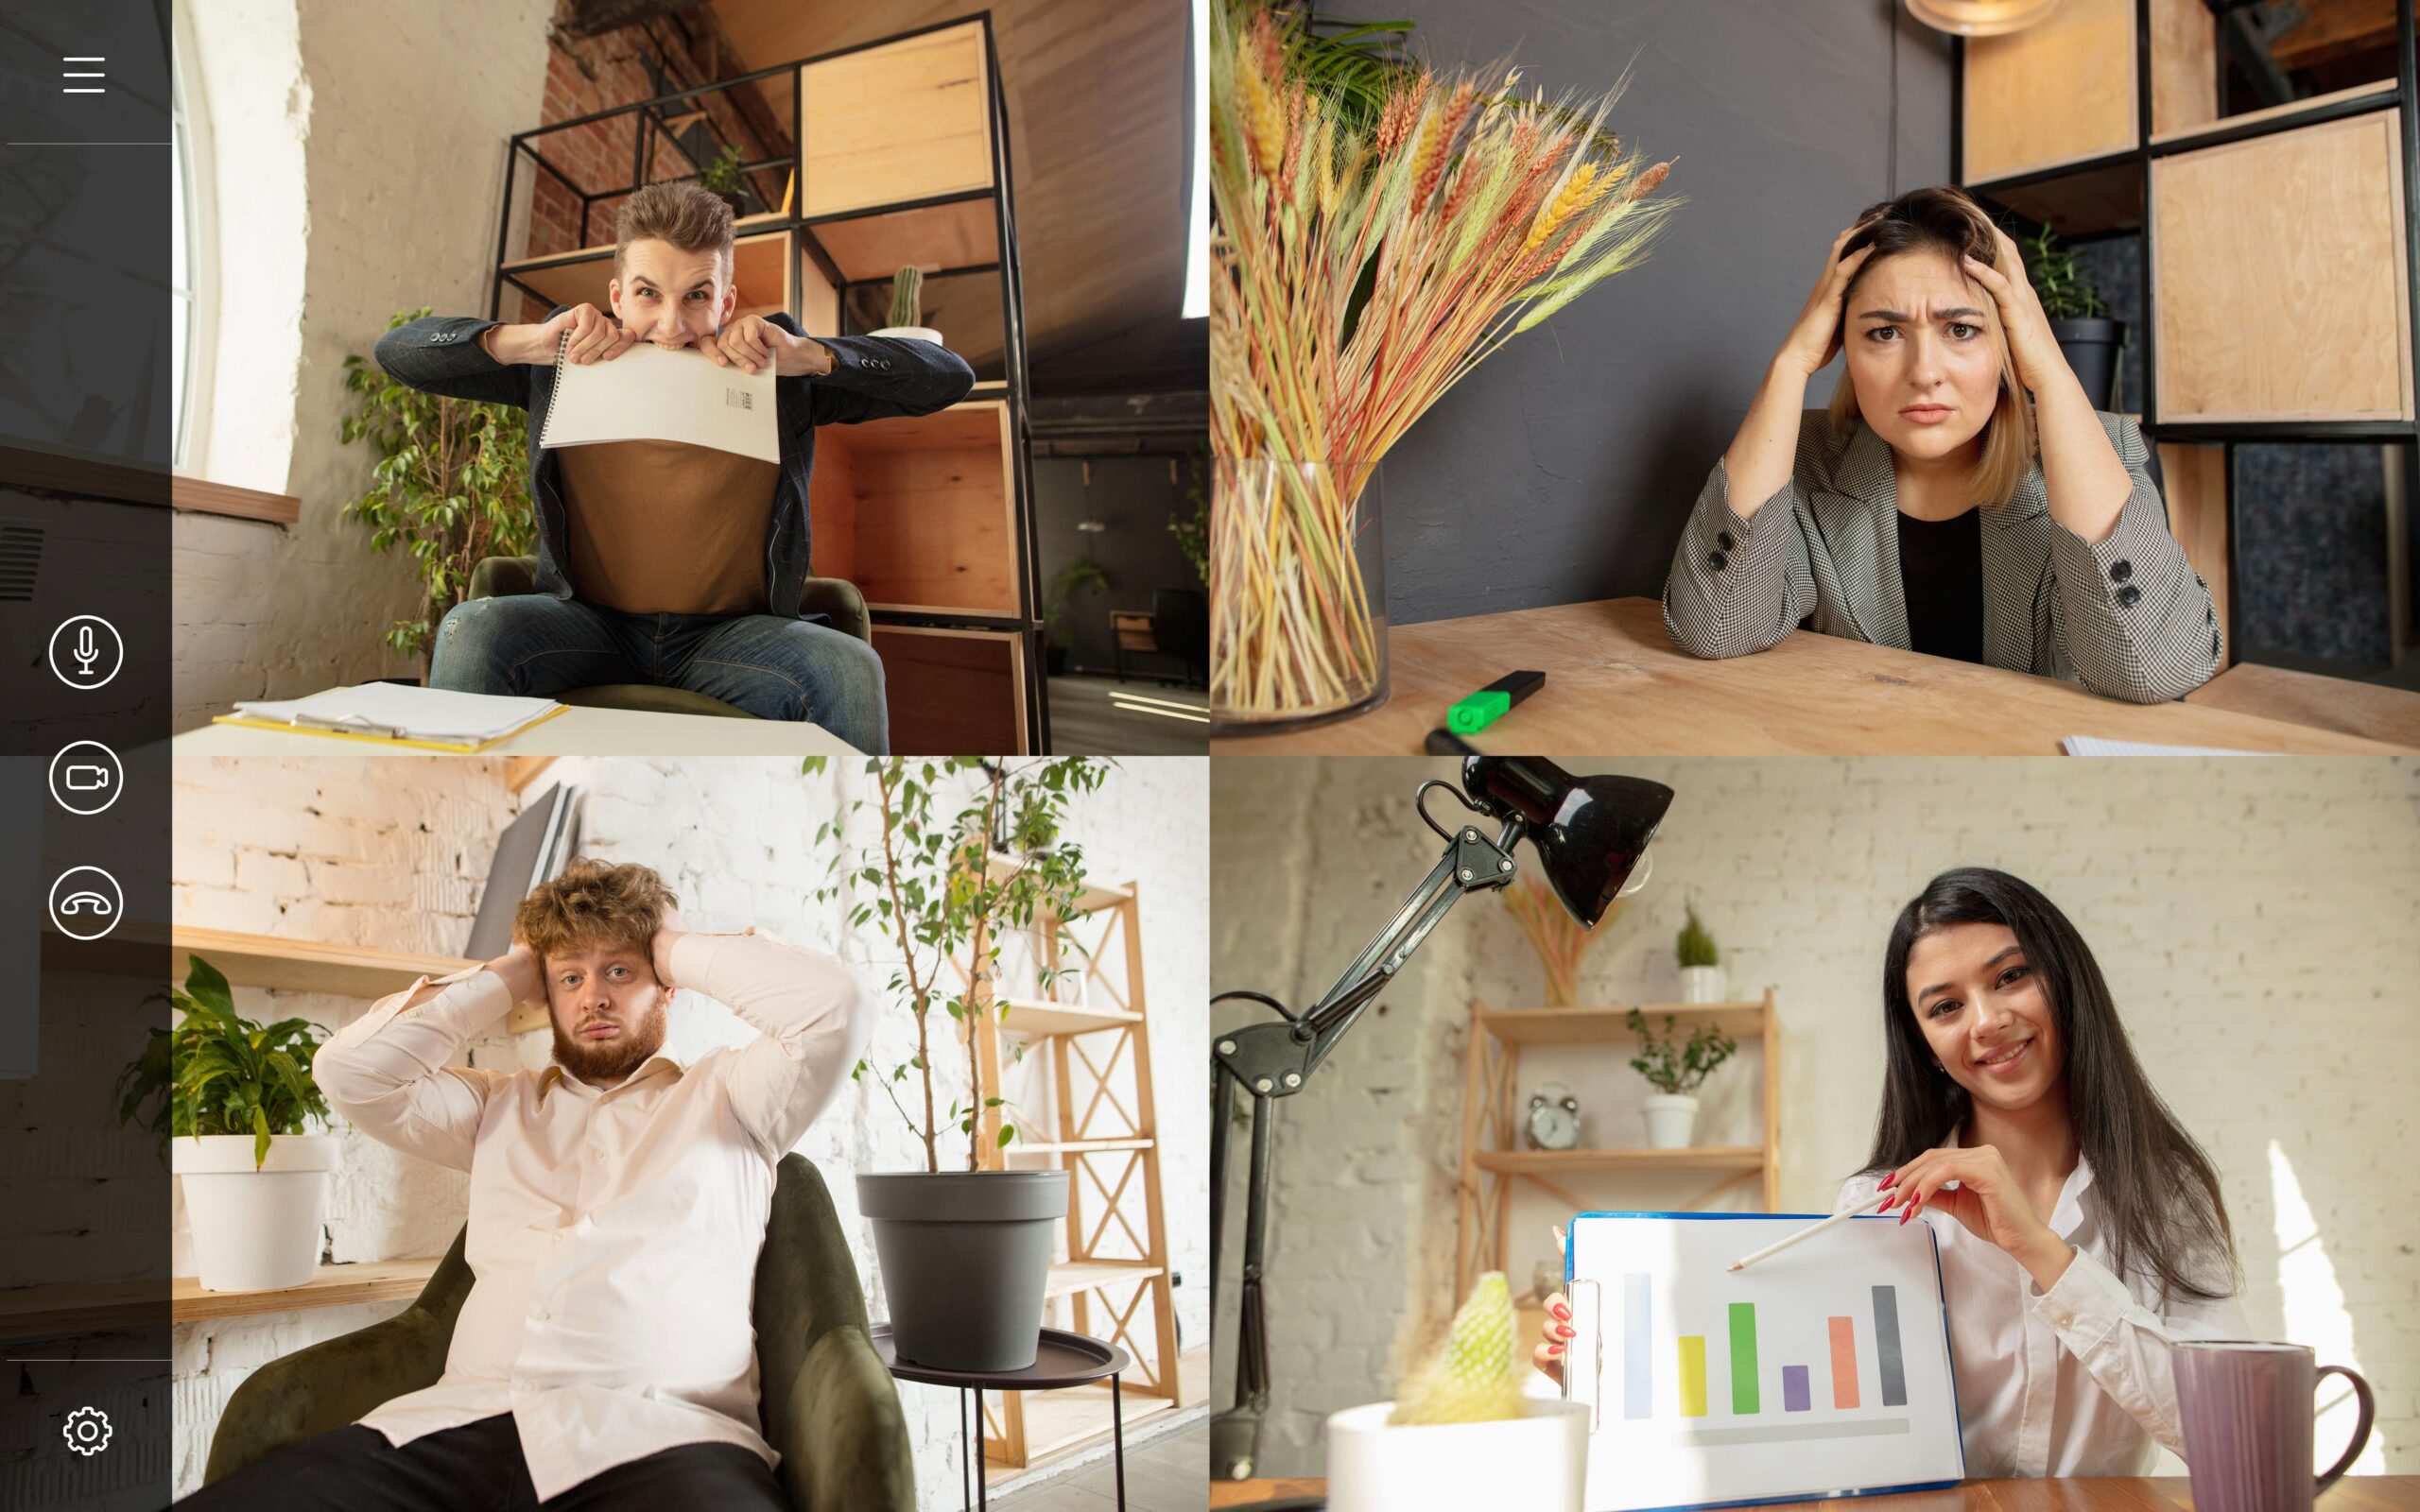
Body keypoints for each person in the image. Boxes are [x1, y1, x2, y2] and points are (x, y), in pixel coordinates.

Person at [180, 860, 878, 1509]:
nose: (594, 996)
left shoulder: (737, 1097)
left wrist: (668, 942)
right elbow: (350, 1072)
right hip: (448, 1430)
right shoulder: (493, 1107)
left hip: (664, 1437)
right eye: (569, 979)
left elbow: (835, 1005)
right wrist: (519, 968)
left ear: (667, 984)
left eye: (620, 972)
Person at [1536, 868, 2248, 1477]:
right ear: (1926, 1046)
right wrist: (1611, 1372)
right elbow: (1794, 1410)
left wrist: (2041, 1250)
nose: (1987, 1020)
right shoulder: (1877, 1208)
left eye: (2011, 976)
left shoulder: (2168, 1192)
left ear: (2064, 981)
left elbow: (2226, 1436)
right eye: (1945, 1007)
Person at [374, 181, 976, 750]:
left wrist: (808, 355)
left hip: (729, 639)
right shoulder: (563, 363)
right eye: (647, 294)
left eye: (697, 296)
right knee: (472, 629)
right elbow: (398, 353)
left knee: (848, 668)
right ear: (617, 296)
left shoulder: (778, 373)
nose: (671, 325)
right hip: (586, 627)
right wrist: (525, 343)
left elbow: (948, 376)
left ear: (727, 300)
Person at [1660, 187, 2221, 704]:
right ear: (1842, 343)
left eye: (1961, 330)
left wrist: (2049, 371)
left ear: (2007, 340)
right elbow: (1713, 627)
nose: (1924, 372)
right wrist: (1791, 363)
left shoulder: (2102, 453)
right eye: (1884, 333)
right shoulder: (1806, 461)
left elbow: (2155, 668)